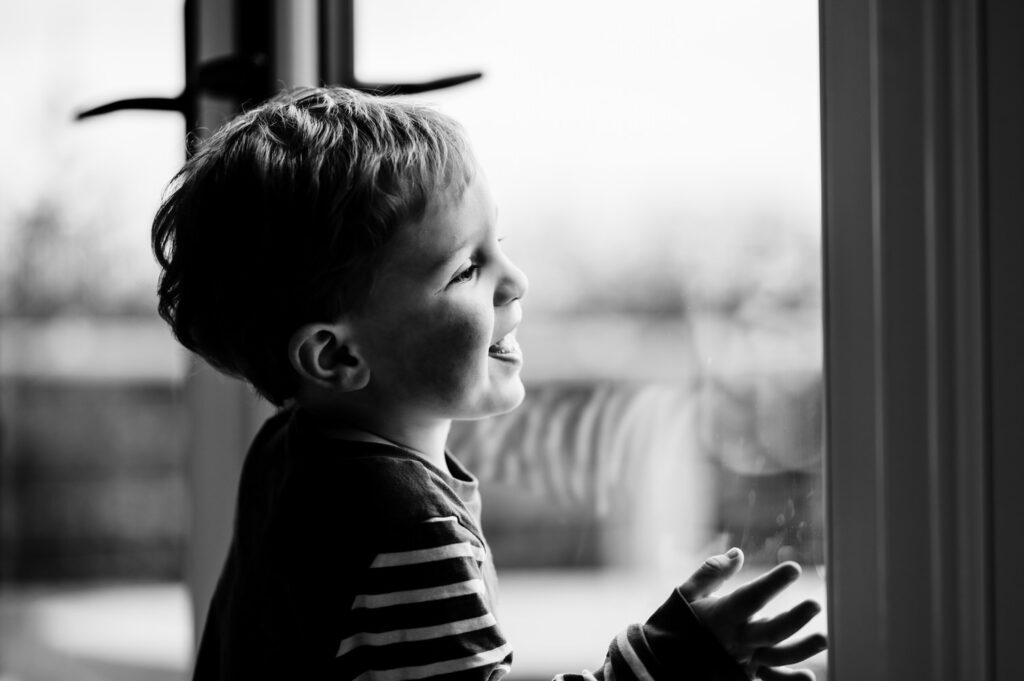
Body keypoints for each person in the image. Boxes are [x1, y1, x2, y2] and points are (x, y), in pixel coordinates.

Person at [152, 86, 827, 681]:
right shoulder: (412, 530)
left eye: (499, 241)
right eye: (465, 268)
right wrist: (667, 658)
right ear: (333, 355)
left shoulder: (287, 451)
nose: (516, 279)